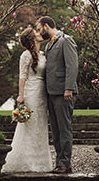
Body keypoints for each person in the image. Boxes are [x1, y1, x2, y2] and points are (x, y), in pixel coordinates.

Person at [2, 27, 53, 173]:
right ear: (32, 38)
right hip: (30, 92)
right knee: (29, 125)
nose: (39, 33)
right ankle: (24, 161)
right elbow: (22, 76)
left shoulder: (42, 54)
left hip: (42, 92)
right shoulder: (25, 55)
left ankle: (41, 162)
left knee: (40, 125)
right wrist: (20, 95)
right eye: (36, 32)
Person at [35, 16, 78, 174]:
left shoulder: (65, 40)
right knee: (56, 130)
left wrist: (69, 88)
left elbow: (72, 66)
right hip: (51, 93)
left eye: (40, 28)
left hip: (63, 93)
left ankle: (64, 163)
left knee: (64, 129)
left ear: (46, 26)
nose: (39, 32)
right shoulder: (49, 45)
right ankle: (61, 163)